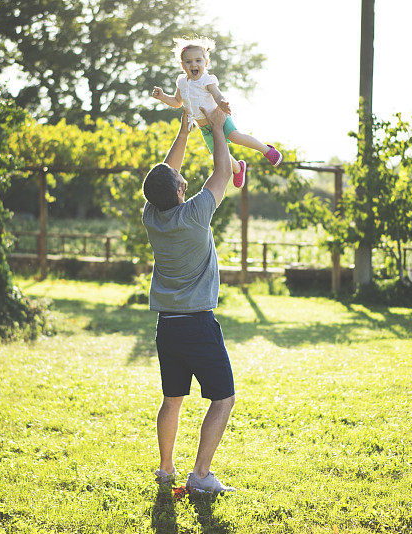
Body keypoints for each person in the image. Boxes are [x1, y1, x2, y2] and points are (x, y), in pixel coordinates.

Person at [141, 105, 237, 495]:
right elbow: (223, 172)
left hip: (168, 327)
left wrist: (182, 133)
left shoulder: (152, 216)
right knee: (223, 398)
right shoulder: (196, 214)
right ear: (181, 191)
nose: (183, 178)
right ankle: (199, 477)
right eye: (182, 180)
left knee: (172, 399)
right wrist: (217, 128)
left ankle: (166, 470)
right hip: (198, 324)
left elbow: (163, 176)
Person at [151, 36, 283, 190]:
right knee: (219, 155)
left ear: (206, 63)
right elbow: (177, 102)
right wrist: (163, 97)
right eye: (188, 62)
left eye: (198, 61)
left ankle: (267, 150)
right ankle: (238, 168)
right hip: (204, 128)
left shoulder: (207, 80)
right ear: (182, 65)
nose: (194, 64)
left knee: (235, 137)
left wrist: (222, 103)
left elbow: (217, 95)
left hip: (218, 118)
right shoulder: (181, 82)